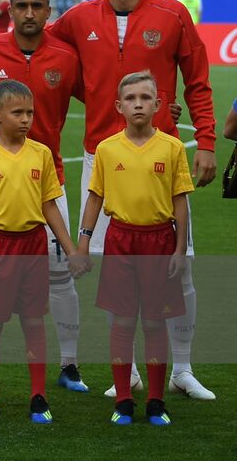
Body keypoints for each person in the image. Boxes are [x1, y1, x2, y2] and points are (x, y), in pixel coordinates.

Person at [49, 0, 216, 400]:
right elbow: (34, 42)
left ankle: (181, 369)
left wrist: (205, 141)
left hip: (162, 159)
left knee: (178, 268)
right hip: (101, 157)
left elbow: (199, 80)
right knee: (113, 270)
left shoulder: (172, 14)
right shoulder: (79, 17)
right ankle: (132, 370)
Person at [0, 0, 88, 392]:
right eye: (22, 5)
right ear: (10, 10)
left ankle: (69, 364)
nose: (29, 13)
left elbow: (104, 96)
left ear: (48, 11)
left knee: (60, 279)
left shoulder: (67, 58)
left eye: (38, 5)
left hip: (48, 181)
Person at [0, 81, 86, 425]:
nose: (27, 119)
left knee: (33, 320)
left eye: (30, 112)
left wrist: (72, 250)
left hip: (32, 246)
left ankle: (38, 396)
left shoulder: (41, 154)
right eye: (18, 112)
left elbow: (49, 206)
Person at [77, 72, 194, 427]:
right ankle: (124, 399)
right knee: (124, 322)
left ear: (158, 105)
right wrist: (83, 242)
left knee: (156, 322)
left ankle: (156, 401)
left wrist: (179, 250)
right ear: (119, 106)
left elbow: (180, 202)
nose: (138, 103)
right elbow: (95, 197)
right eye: (131, 98)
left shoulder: (172, 148)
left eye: (146, 97)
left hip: (159, 241)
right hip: (121, 240)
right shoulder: (108, 149)